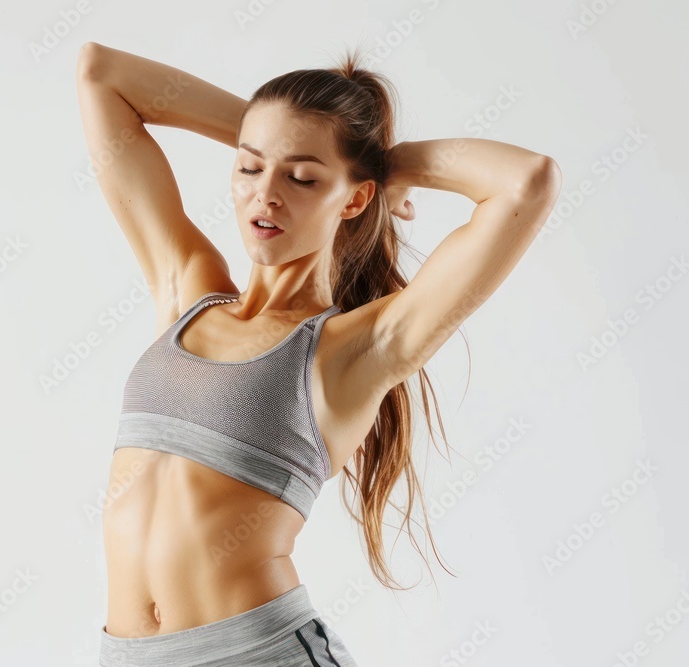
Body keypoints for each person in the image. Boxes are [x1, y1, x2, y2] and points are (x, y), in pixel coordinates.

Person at [76, 41, 561, 667]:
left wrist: (383, 165)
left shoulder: (357, 348)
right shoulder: (185, 290)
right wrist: (277, 142)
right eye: (249, 168)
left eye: (302, 178)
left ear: (354, 200)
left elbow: (527, 181)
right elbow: (101, 75)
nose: (265, 195)